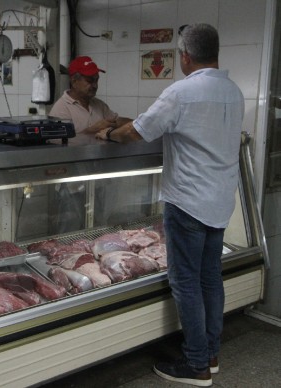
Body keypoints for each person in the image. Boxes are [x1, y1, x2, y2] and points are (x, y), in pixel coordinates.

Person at [97, 24, 244, 387]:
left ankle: (195, 365)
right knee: (210, 277)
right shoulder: (233, 90)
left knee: (186, 282)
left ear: (184, 56)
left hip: (188, 202)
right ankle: (210, 353)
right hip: (220, 200)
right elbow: (165, 126)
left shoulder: (182, 91)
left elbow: (137, 132)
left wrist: (109, 133)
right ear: (216, 52)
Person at [49, 55, 131, 135]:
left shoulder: (99, 105)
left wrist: (139, 123)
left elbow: (117, 121)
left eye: (96, 80)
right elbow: (59, 143)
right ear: (74, 81)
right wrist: (91, 131)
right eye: (90, 81)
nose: (95, 85)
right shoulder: (61, 109)